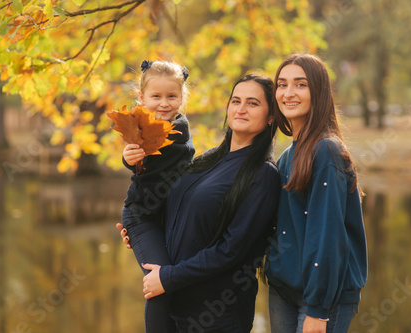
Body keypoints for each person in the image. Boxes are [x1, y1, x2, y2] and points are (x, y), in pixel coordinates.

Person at [120, 74, 281, 332]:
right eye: (236, 100)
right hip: (174, 305)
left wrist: (167, 277)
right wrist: (143, 231)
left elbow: (232, 250)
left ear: (271, 115)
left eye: (253, 103)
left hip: (215, 314)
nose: (240, 109)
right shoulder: (208, 159)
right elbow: (179, 210)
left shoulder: (263, 175)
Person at [265, 53, 368, 333]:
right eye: (282, 84)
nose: (288, 93)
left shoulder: (327, 151)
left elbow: (327, 233)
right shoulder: (287, 156)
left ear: (318, 92)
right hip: (284, 291)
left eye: (300, 84)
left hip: (323, 300)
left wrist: (318, 310)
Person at [119, 59, 195, 333]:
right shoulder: (139, 128)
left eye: (172, 96)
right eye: (156, 96)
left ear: (182, 98)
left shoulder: (180, 131)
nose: (164, 103)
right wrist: (129, 157)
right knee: (159, 281)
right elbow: (139, 165)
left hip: (171, 218)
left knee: (180, 284)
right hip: (143, 217)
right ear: (142, 97)